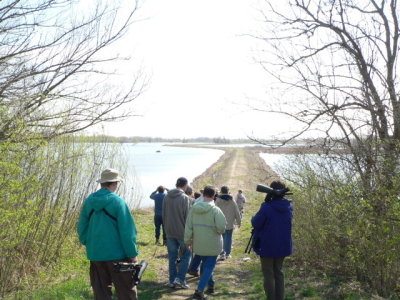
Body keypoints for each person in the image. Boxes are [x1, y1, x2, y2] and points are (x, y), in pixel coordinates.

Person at [77, 168, 139, 300]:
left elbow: (81, 227)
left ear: (102, 183)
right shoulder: (118, 202)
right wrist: (132, 254)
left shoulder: (89, 201)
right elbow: (127, 232)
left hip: (95, 255)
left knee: (101, 294)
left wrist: (89, 243)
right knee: (126, 292)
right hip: (118, 256)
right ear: (114, 183)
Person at [251, 181, 293, 300]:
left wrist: (253, 217)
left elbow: (256, 223)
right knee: (278, 272)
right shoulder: (289, 206)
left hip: (267, 246)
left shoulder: (267, 207)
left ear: (270, 190)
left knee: (268, 274)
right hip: (283, 245)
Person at [184, 185, 227, 300]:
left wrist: (188, 241)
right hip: (213, 244)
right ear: (214, 196)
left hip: (198, 244)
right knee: (208, 267)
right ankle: (199, 291)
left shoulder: (194, 208)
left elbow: (188, 227)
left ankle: (211, 286)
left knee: (206, 266)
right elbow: (222, 228)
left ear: (203, 194)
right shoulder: (215, 210)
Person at [162, 177, 192, 289]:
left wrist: (165, 230)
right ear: (185, 185)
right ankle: (180, 279)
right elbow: (188, 218)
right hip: (182, 232)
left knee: (172, 257)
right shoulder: (185, 198)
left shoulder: (166, 197)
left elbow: (164, 215)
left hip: (169, 231)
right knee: (187, 255)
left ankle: (171, 280)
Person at [215, 185, 241, 260]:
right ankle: (227, 253)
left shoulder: (218, 200)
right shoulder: (232, 200)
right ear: (228, 191)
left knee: (221, 238)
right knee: (228, 238)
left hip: (219, 222)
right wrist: (239, 221)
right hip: (229, 223)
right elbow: (237, 212)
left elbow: (214, 211)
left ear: (221, 191)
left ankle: (222, 253)